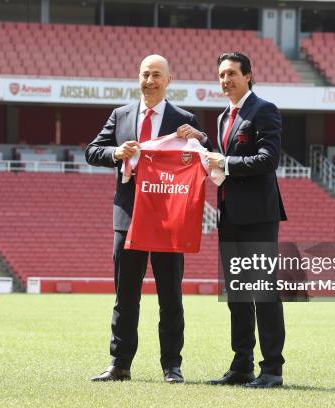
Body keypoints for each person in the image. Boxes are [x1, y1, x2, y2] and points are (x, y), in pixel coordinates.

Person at [85, 54, 209, 383]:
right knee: (125, 296)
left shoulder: (184, 118)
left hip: (168, 220)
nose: (150, 80)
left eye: (156, 75)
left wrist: (200, 138)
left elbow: (204, 156)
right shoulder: (121, 115)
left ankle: (172, 366)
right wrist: (115, 152)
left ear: (169, 80)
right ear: (137, 77)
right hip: (128, 217)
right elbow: (92, 150)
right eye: (145, 74)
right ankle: (119, 364)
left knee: (170, 296)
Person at [205, 52, 287, 389]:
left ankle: (272, 371)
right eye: (221, 75)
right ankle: (241, 366)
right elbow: (222, 158)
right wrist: (201, 145)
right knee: (237, 295)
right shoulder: (224, 117)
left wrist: (225, 162)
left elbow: (269, 160)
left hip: (258, 218)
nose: (226, 80)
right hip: (230, 216)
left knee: (263, 294)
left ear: (249, 75)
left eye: (232, 74)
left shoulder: (264, 110)